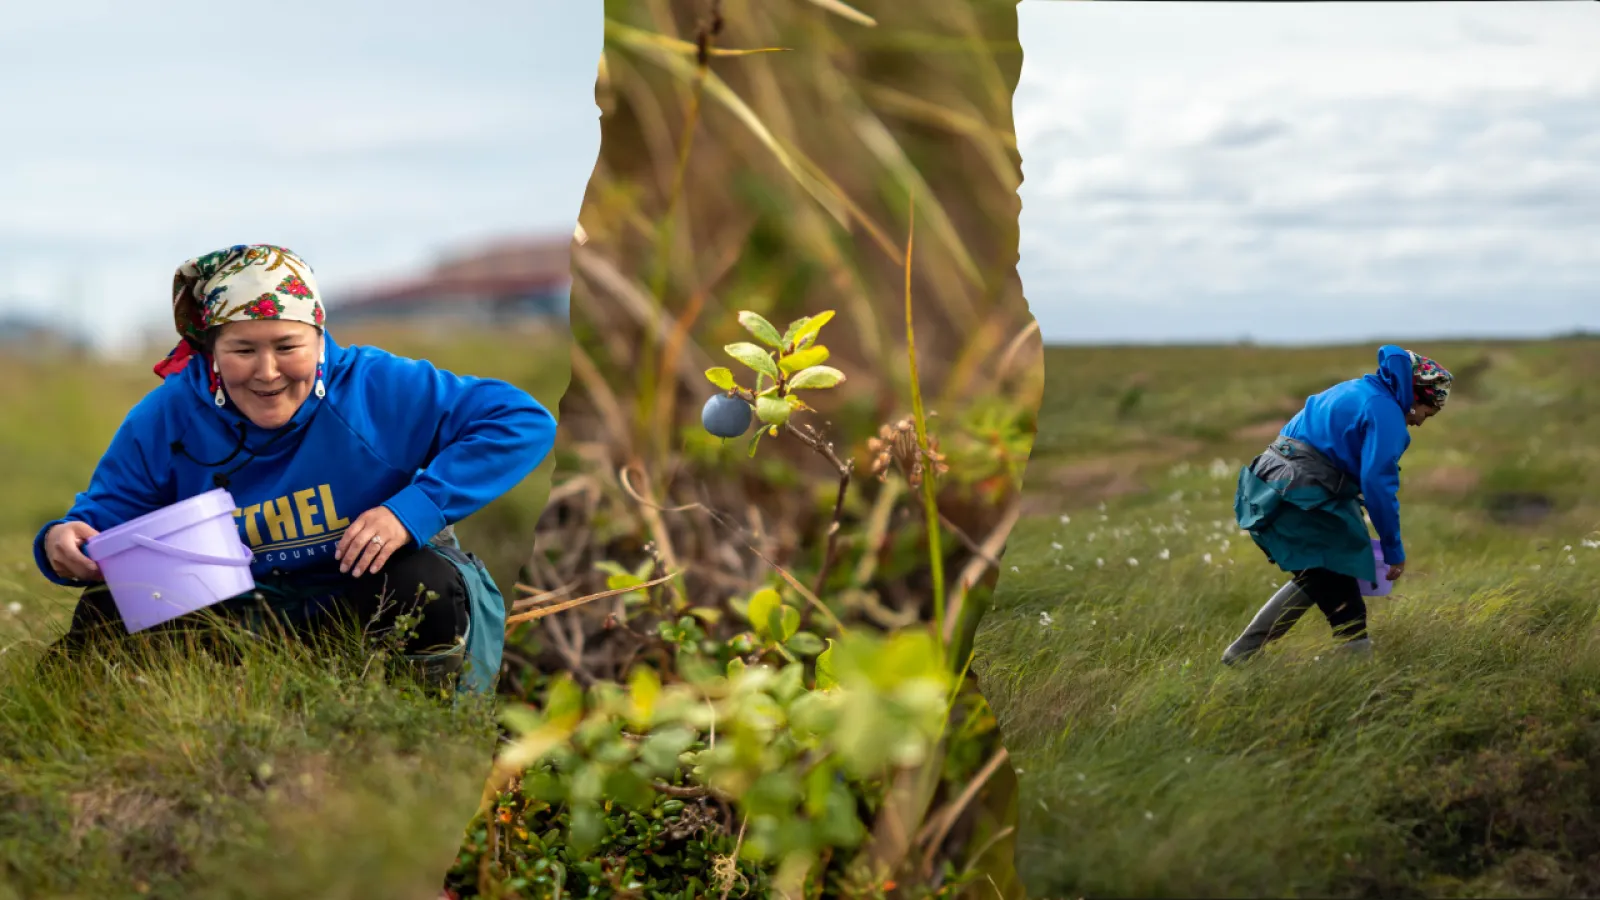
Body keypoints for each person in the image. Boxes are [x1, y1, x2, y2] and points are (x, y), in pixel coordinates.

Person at [33, 244, 558, 694]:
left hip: (360, 602)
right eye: (242, 350)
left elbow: (521, 420)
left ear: (319, 335)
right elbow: (103, 517)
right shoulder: (166, 414)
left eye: (288, 346)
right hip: (245, 614)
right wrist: (64, 541)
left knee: (422, 582)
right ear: (211, 350)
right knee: (109, 610)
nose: (267, 372)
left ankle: (423, 725)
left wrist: (413, 509)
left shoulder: (376, 387)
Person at [1222, 345, 1453, 665]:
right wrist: (1393, 550)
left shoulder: (1357, 388)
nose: (1421, 422)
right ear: (1417, 397)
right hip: (1298, 498)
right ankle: (1361, 686)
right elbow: (1378, 485)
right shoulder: (1386, 413)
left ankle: (1241, 655)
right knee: (1347, 609)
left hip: (1269, 485)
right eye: (1428, 413)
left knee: (1319, 575)